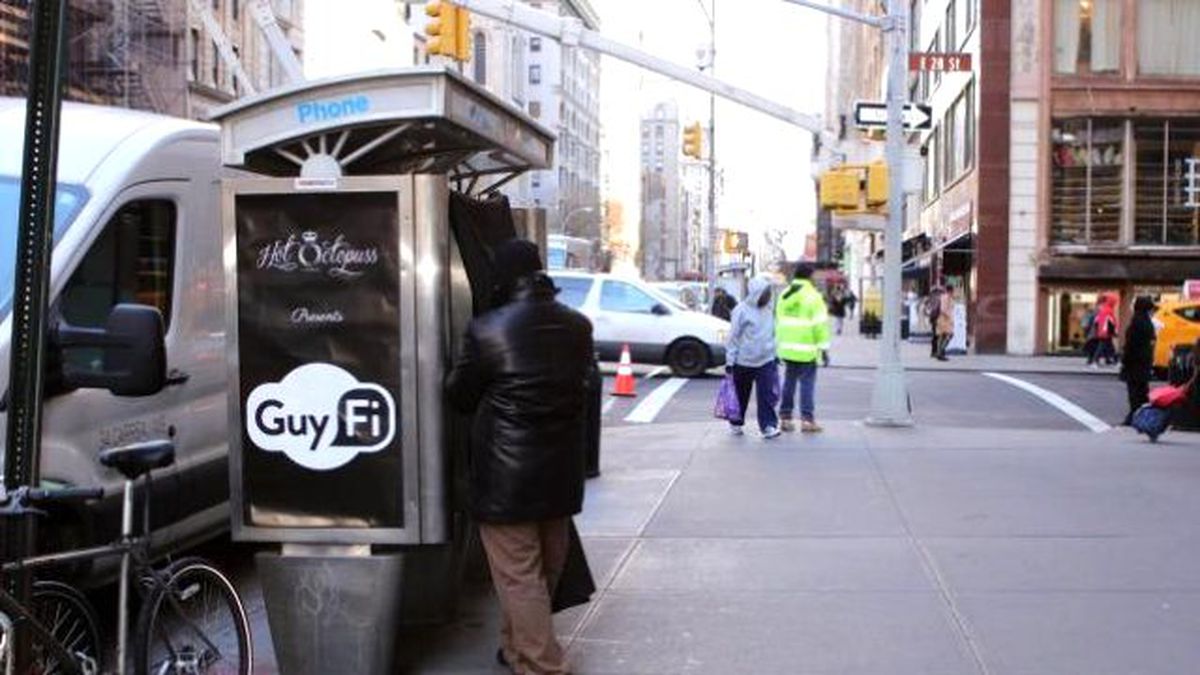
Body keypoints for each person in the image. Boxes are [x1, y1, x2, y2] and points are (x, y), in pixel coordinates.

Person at [446, 240, 594, 675]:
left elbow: (460, 395)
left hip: (505, 476)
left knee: (519, 575)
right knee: (544, 568)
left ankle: (541, 664)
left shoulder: (488, 329)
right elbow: (584, 388)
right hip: (560, 473)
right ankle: (515, 648)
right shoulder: (578, 325)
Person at [776, 263, 831, 433]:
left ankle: (785, 418)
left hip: (787, 349)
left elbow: (778, 322)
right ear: (809, 276)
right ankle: (807, 421)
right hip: (807, 350)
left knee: (789, 383)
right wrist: (824, 349)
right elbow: (820, 325)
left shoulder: (785, 295)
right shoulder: (813, 296)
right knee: (807, 385)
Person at [725, 276, 780, 439]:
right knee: (741, 394)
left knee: (766, 396)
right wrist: (730, 360)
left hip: (766, 360)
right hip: (743, 361)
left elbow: (773, 333)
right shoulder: (741, 310)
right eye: (765, 293)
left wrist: (775, 354)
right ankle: (736, 422)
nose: (768, 296)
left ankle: (768, 426)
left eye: (769, 293)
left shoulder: (769, 309)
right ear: (756, 293)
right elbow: (733, 337)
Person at [1120, 296, 1157, 426]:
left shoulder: (1136, 322)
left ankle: (1134, 416)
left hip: (1134, 363)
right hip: (1144, 363)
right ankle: (1143, 416)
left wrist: (1124, 360)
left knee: (1134, 392)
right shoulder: (1148, 323)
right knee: (1142, 392)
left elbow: (1130, 345)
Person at [1091, 295, 1119, 367]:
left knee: (1108, 346)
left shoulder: (1102, 309)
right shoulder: (1108, 310)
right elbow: (1112, 322)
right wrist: (1115, 331)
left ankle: (1109, 360)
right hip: (1106, 332)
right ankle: (1095, 361)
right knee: (1103, 346)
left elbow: (1096, 321)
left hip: (1102, 331)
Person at [935, 286, 955, 361]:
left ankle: (940, 353)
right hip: (945, 320)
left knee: (942, 336)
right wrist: (949, 317)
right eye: (953, 291)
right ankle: (941, 353)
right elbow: (943, 309)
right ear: (950, 291)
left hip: (942, 319)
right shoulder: (946, 298)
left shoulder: (945, 297)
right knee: (949, 335)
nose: (954, 293)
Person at [926, 288, 943, 358]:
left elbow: (927, 307)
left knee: (934, 336)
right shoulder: (938, 299)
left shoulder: (931, 298)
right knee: (938, 336)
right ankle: (937, 352)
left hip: (933, 319)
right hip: (937, 318)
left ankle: (933, 352)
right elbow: (936, 310)